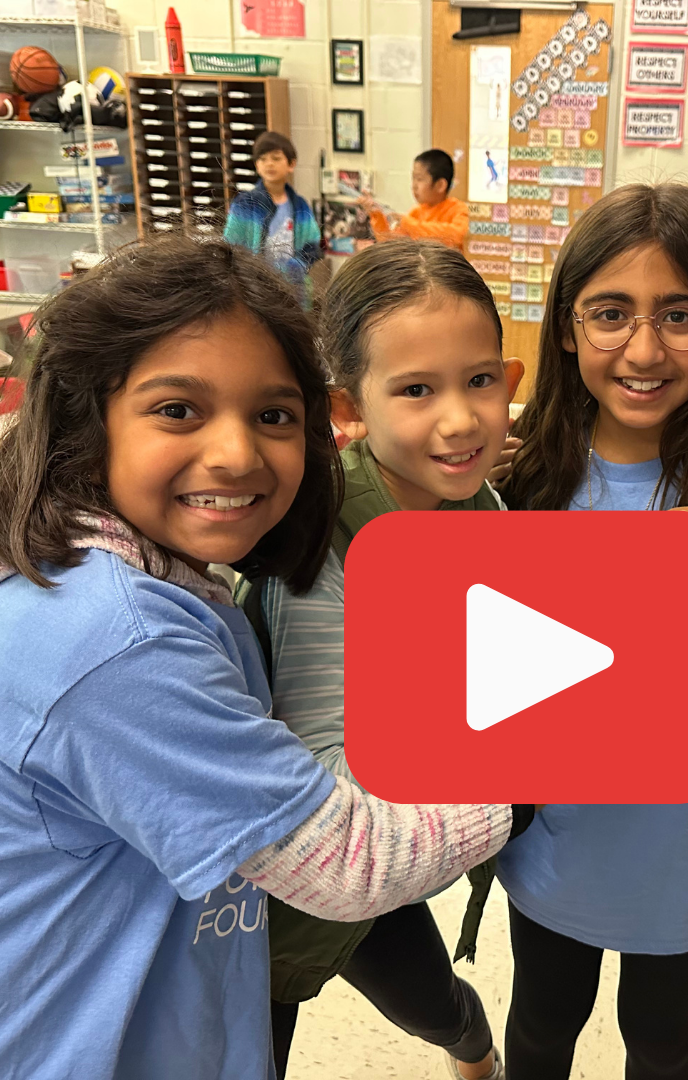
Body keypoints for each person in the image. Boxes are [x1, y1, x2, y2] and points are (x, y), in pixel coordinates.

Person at [0, 236, 535, 1080]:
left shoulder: (160, 578)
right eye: (178, 408)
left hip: (191, 986)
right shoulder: (116, 647)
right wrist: (529, 772)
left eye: (272, 416)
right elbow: (349, 858)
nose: (237, 455)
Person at [497, 182, 688, 1080]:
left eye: (679, 316)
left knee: (664, 1042)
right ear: (564, 327)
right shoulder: (526, 476)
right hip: (557, 838)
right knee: (543, 1029)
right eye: (609, 314)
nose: (643, 349)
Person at [245, 239, 523, 1080]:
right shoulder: (324, 548)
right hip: (290, 891)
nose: (459, 418)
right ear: (348, 403)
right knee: (263, 1032)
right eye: (416, 390)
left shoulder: (481, 504)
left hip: (397, 866)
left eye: (479, 381)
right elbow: (325, 787)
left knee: (436, 1007)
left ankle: (470, 1049)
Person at [223, 130, 322, 302]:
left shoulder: (299, 205)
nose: (269, 164)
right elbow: (231, 246)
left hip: (293, 290)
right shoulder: (245, 204)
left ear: (291, 164)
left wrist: (295, 267)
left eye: (276, 158)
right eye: (263, 159)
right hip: (255, 289)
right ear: (256, 165)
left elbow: (313, 246)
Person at [362, 149, 470, 251]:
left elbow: (456, 235)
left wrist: (409, 224)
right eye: (413, 178)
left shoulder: (457, 208)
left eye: (419, 179)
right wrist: (376, 215)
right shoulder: (416, 212)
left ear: (440, 185)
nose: (414, 185)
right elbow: (390, 244)